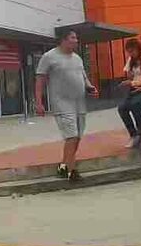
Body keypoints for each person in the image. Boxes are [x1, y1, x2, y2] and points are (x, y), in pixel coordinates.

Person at [34, 30, 99, 181]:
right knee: (71, 136)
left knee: (77, 138)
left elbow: (83, 76)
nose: (76, 40)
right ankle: (72, 171)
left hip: (79, 103)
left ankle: (63, 166)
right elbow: (40, 79)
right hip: (62, 103)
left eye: (76, 37)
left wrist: (90, 87)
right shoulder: (49, 57)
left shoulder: (77, 58)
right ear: (63, 40)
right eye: (73, 38)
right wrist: (39, 102)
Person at [117, 38, 141, 148]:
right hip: (134, 87)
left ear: (138, 49)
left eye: (133, 51)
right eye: (129, 52)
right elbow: (129, 74)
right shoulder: (131, 60)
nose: (131, 54)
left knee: (135, 104)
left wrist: (132, 83)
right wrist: (129, 78)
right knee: (122, 107)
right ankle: (133, 134)